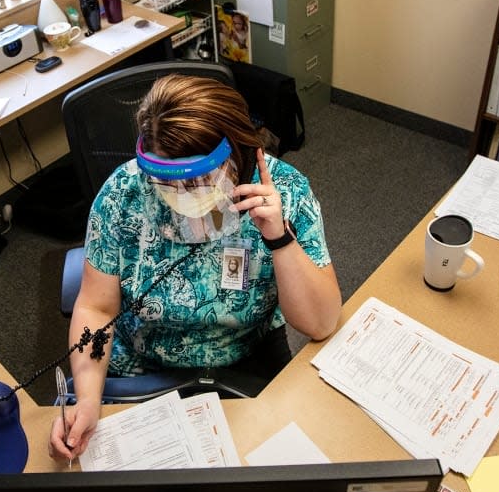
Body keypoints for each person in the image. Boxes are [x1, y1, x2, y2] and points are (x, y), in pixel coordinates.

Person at [49, 74, 342, 462]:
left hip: (246, 357)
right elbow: (96, 309)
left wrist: (278, 237)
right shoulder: (124, 194)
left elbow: (321, 323)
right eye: (168, 185)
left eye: (199, 182)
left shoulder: (286, 192)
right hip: (143, 364)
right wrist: (87, 397)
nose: (182, 198)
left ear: (239, 152)